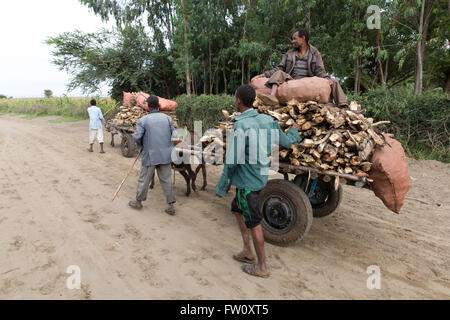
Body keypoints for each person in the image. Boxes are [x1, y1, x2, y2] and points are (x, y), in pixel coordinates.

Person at [215, 85, 302, 278]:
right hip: (258, 177)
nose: (234, 101)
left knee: (254, 222)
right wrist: (295, 132)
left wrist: (222, 184)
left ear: (238, 101)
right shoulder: (268, 120)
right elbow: (286, 142)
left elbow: (232, 159)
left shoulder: (241, 124)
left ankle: (262, 266)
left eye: (235, 98)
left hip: (247, 183)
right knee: (237, 210)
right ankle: (247, 251)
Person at [255, 29, 348, 107]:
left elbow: (320, 71)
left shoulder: (314, 53)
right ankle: (272, 97)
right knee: (279, 73)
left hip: (308, 82)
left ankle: (344, 106)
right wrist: (263, 75)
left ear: (303, 38)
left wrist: (328, 79)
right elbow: (279, 68)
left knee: (334, 81)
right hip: (292, 80)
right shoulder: (290, 53)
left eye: (295, 39)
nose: (292, 41)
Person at [128, 95, 178, 215]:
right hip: (166, 155)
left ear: (148, 107)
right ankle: (170, 205)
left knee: (144, 179)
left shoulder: (143, 120)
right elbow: (175, 136)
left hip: (150, 155)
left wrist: (141, 146)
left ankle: (138, 202)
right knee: (166, 180)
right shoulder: (167, 119)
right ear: (158, 106)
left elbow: (137, 137)